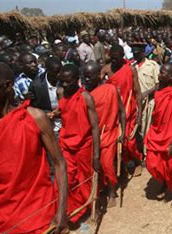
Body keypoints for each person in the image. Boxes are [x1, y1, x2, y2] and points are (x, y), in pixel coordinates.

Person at [0, 61, 84, 234]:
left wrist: (61, 211)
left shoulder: (35, 118)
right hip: (2, 214)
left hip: (38, 206)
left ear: (7, 87)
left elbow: (60, 165)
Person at [58, 63, 101, 222]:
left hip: (84, 145)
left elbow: (95, 127)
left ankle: (92, 208)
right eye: (62, 80)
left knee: (86, 180)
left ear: (76, 80)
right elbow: (65, 114)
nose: (64, 84)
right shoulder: (61, 94)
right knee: (67, 179)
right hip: (66, 145)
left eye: (68, 81)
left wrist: (96, 155)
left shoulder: (86, 97)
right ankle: (74, 211)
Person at [144, 63, 172, 207]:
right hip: (158, 133)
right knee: (153, 162)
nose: (159, 75)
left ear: (171, 76)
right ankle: (164, 182)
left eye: (162, 73)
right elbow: (156, 110)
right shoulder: (159, 88)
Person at [83, 61, 126, 208]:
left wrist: (123, 131)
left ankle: (112, 191)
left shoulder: (111, 89)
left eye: (89, 76)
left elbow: (121, 111)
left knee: (107, 164)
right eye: (85, 77)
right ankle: (99, 189)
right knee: (93, 166)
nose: (87, 80)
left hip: (108, 133)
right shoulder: (85, 94)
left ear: (98, 75)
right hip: (91, 136)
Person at [101, 44, 143, 175]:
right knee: (116, 139)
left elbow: (137, 91)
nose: (114, 61)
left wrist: (140, 112)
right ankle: (121, 165)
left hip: (129, 108)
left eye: (116, 58)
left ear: (122, 57)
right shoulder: (106, 70)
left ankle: (137, 160)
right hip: (113, 111)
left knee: (129, 140)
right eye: (112, 58)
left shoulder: (130, 70)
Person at [28, 56, 63, 137]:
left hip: (65, 125)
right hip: (48, 128)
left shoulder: (65, 81)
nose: (59, 74)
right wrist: (47, 114)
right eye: (56, 72)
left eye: (60, 71)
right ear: (48, 70)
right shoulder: (37, 85)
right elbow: (34, 108)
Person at [132, 43, 159, 142]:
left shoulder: (152, 65)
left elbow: (158, 84)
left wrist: (146, 93)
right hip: (136, 103)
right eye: (134, 54)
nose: (135, 56)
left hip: (149, 102)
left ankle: (146, 152)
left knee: (147, 128)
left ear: (143, 53)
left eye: (137, 53)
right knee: (137, 128)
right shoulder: (132, 66)